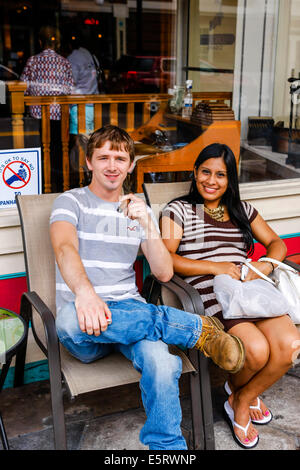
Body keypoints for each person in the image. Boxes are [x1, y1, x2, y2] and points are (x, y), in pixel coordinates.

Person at [49, 125, 245, 451]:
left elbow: (164, 273)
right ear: (89, 162)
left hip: (131, 312)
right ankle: (195, 329)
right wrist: (86, 295)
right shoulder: (71, 201)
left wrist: (147, 224)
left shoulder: (137, 208)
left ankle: (167, 448)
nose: (112, 165)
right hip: (84, 320)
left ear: (130, 165)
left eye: (120, 158)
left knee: (162, 361)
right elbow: (64, 249)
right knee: (67, 322)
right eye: (103, 157)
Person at [160, 143, 300, 449]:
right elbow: (167, 258)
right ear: (194, 172)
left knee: (290, 347)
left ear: (230, 179)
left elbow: (278, 243)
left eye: (220, 175)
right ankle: (242, 399)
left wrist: (264, 263)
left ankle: (240, 398)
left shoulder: (241, 210)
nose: (211, 180)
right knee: (257, 351)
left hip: (252, 289)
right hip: (213, 295)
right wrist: (216, 266)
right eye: (205, 172)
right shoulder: (180, 210)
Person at [20, 25, 74, 191]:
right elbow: (71, 91)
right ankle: (59, 185)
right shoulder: (64, 62)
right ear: (57, 42)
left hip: (37, 116)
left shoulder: (33, 61)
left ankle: (42, 184)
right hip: (60, 115)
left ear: (40, 41)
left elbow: (22, 87)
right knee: (58, 152)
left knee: (40, 151)